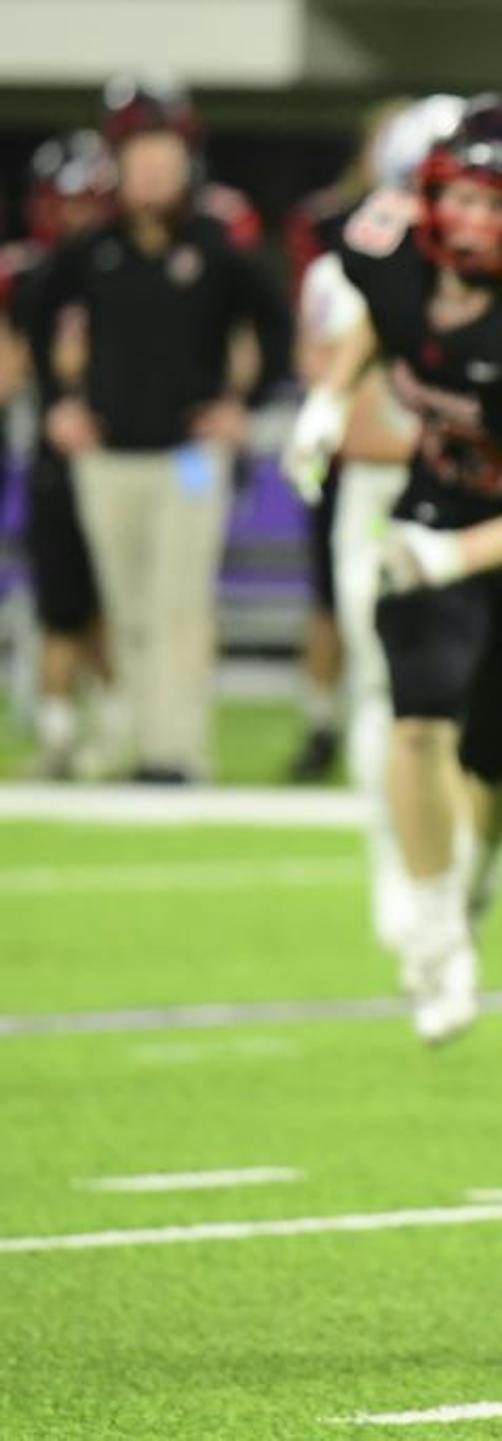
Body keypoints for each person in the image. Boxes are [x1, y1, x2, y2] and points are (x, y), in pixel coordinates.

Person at [284, 96, 502, 1042]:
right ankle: (436, 932)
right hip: (435, 508)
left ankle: (478, 868)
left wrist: (459, 552)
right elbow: (388, 315)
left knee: (496, 752)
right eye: (465, 200)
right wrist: (328, 398)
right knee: (417, 711)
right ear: (431, 195)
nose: (478, 224)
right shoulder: (391, 246)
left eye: (501, 205)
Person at [30, 72, 287, 783]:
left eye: (163, 160)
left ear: (185, 164)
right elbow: (36, 311)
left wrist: (248, 402)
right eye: (139, 161)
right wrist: (60, 401)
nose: (151, 174)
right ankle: (141, 741)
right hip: (107, 453)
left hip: (189, 456)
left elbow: (277, 322)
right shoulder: (93, 248)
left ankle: (177, 749)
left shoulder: (216, 243)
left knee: (181, 604)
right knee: (125, 605)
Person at [285, 92, 464, 954]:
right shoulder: (347, 269)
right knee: (389, 689)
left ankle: (447, 857)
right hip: (384, 496)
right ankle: (400, 865)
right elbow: (348, 406)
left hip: (477, 501)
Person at [5, 130, 118, 780]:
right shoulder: (28, 274)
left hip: (122, 448)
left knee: (111, 607)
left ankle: (111, 731)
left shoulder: (123, 265)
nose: (76, 217)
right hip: (54, 455)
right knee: (61, 605)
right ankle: (57, 735)